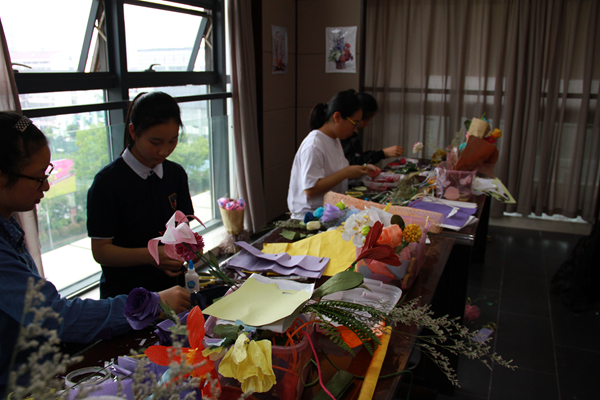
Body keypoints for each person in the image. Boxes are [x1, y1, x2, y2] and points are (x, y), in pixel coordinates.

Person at [0, 112, 191, 394]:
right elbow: (55, 316)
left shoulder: (8, 225)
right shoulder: (108, 182)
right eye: (38, 178)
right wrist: (152, 303)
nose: (47, 186)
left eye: (47, 174)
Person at [87, 91, 195, 299]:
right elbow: (101, 251)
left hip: (174, 288)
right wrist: (153, 256)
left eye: (173, 141)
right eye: (155, 142)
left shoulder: (175, 174)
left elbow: (184, 225)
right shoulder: (107, 183)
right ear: (133, 132)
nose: (164, 151)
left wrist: (182, 251)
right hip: (127, 296)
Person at [287, 89, 380, 218]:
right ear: (337, 117)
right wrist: (346, 173)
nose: (355, 130)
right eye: (354, 123)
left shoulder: (334, 139)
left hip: (331, 211)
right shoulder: (314, 144)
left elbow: (334, 175)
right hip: (310, 217)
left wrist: (362, 170)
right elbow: (310, 189)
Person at [341, 92, 404, 165]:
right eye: (365, 121)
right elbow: (351, 162)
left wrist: (379, 153)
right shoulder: (343, 135)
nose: (367, 124)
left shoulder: (352, 134)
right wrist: (382, 153)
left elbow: (359, 157)